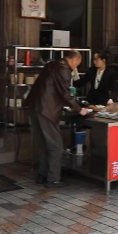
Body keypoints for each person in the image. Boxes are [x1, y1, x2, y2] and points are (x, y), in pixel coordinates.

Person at [26, 50, 90, 188]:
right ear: (73, 60)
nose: (76, 67)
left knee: (44, 144)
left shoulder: (52, 64)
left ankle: (42, 175)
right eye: (77, 64)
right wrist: (79, 109)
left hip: (34, 107)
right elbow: (65, 94)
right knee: (56, 146)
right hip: (47, 110)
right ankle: (53, 179)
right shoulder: (64, 69)